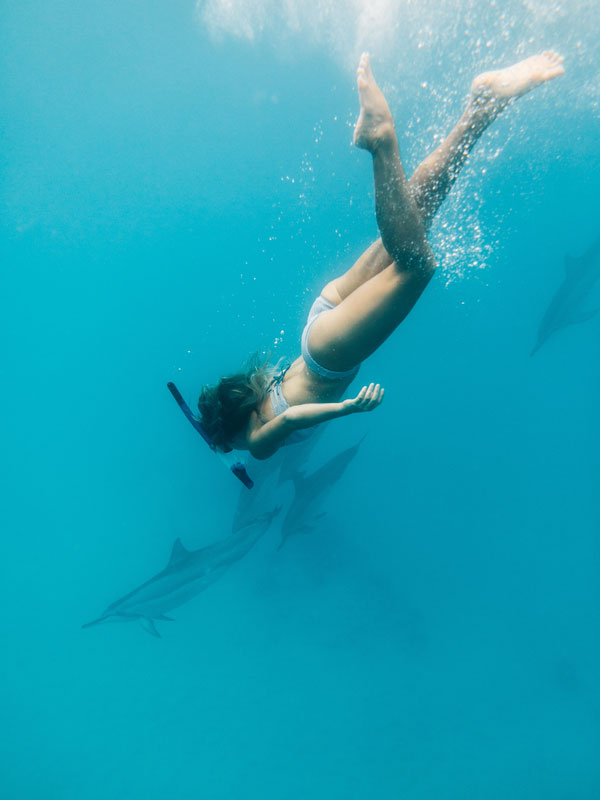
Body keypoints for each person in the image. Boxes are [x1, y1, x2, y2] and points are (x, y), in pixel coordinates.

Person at [198, 51, 564, 460]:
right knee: (417, 210)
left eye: (225, 448)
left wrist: (346, 408)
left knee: (418, 266)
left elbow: (288, 421)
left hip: (328, 355)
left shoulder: (254, 444)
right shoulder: (258, 393)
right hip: (322, 318)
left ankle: (380, 142)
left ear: (228, 436)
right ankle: (482, 107)